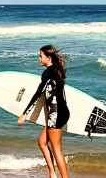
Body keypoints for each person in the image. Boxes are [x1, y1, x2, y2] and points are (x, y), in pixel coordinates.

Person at [17, 45, 70, 178]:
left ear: (48, 57)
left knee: (56, 149)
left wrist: (24, 114)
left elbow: (38, 94)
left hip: (56, 114)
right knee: (42, 142)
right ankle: (52, 173)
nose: (39, 58)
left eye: (41, 56)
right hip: (60, 112)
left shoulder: (48, 73)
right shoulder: (57, 71)